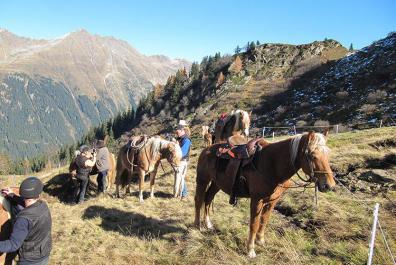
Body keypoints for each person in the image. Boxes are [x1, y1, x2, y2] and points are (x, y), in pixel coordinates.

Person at [0, 177, 52, 265]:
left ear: (23, 195)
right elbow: (27, 201)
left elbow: (13, 244)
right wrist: (13, 195)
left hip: (30, 260)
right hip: (44, 252)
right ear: (38, 195)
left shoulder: (23, 219)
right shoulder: (43, 206)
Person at [175, 120, 192, 199]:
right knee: (179, 177)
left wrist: (176, 147)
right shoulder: (180, 138)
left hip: (182, 161)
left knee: (181, 177)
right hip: (179, 161)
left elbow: (183, 152)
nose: (176, 131)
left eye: (178, 130)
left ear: (182, 130)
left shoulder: (186, 140)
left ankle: (184, 194)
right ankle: (179, 193)